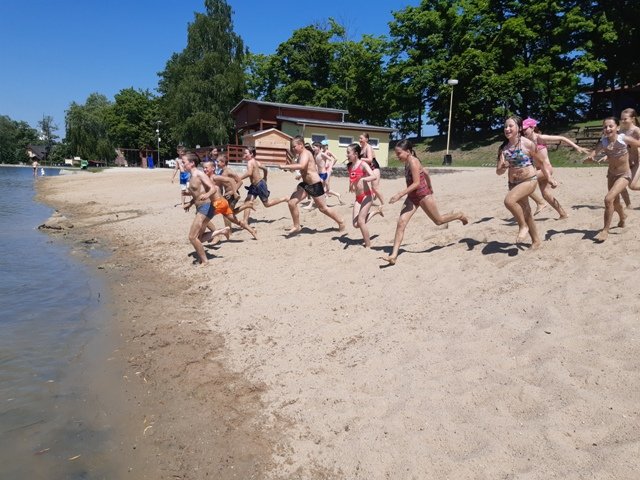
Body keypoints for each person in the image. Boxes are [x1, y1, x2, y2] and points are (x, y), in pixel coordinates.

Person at [381, 139, 467, 265]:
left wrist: (400, 194)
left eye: (399, 153)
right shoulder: (407, 162)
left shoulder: (413, 161)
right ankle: (393, 255)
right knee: (401, 223)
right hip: (412, 197)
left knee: (438, 221)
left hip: (423, 195)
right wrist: (430, 185)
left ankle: (459, 215)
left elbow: (416, 183)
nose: (397, 156)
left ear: (408, 151)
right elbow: (425, 172)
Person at [496, 115, 553, 248]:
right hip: (513, 183)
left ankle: (522, 226)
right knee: (526, 212)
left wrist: (549, 178)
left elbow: (542, 162)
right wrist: (502, 167)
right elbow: (498, 172)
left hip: (529, 180)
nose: (507, 129)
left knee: (509, 201)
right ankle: (536, 241)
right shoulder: (503, 148)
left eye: (511, 126)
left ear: (519, 128)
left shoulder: (527, 143)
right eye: (505, 126)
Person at [584, 117, 640, 242]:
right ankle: (623, 217)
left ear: (617, 127)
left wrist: (635, 157)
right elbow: (594, 152)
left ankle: (605, 230)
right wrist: (590, 158)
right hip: (611, 175)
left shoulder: (623, 138)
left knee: (608, 199)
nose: (608, 129)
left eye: (611, 126)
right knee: (615, 202)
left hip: (624, 175)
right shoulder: (604, 142)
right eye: (605, 127)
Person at [522, 117, 589, 219]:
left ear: (532, 127)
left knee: (523, 182)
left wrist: (576, 147)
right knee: (546, 194)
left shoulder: (540, 138)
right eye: (522, 129)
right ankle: (563, 214)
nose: (523, 131)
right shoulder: (526, 141)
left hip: (546, 169)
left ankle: (540, 202)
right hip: (539, 170)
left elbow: (561, 138)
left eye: (525, 128)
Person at [279, 135, 345, 236]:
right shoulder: (300, 155)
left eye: (294, 146)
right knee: (292, 203)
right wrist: (289, 167)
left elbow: (302, 166)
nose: (293, 149)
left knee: (323, 208)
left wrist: (285, 166)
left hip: (315, 184)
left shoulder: (306, 153)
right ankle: (297, 226)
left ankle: (341, 222)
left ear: (301, 145)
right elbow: (300, 169)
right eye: (292, 147)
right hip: (305, 184)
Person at [181, 153, 231, 265]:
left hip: (206, 207)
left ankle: (205, 261)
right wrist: (190, 203)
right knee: (199, 238)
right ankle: (222, 231)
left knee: (192, 237)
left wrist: (207, 194)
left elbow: (213, 188)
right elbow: (197, 193)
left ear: (192, 163)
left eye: (184, 162)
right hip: (200, 208)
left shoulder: (200, 174)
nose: (182, 164)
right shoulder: (191, 176)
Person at [238, 146, 288, 224]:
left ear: (251, 154)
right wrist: (265, 177)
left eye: (246, 153)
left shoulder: (250, 162)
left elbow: (249, 173)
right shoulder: (255, 162)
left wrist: (239, 178)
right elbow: (265, 168)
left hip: (260, 185)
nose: (244, 154)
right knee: (247, 201)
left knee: (267, 204)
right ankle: (245, 221)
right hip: (254, 186)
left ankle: (284, 198)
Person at [346, 143, 382, 248]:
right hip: (358, 198)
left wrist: (363, 179)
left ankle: (368, 245)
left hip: (367, 196)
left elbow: (373, 176)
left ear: (356, 154)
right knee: (355, 224)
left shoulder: (363, 164)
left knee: (361, 221)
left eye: (348, 153)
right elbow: (352, 178)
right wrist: (350, 185)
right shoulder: (350, 166)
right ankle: (375, 212)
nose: (347, 155)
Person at [359, 133, 385, 207]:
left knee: (375, 188)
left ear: (366, 139)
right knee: (363, 185)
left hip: (374, 168)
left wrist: (359, 158)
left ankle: (383, 204)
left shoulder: (368, 147)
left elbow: (370, 159)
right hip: (367, 169)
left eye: (361, 138)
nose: (359, 140)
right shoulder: (361, 148)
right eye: (359, 138)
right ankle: (371, 197)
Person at [620, 108, 640, 196]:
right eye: (621, 119)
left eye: (625, 119)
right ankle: (627, 204)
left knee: (632, 186)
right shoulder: (621, 131)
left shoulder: (636, 130)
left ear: (632, 119)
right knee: (619, 184)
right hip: (626, 162)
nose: (623, 121)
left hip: (637, 162)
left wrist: (632, 142)